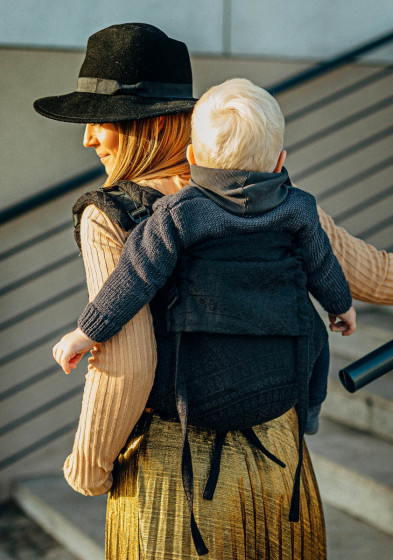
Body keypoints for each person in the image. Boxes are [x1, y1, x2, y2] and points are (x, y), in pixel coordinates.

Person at [34, 22, 393, 560]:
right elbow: (371, 272)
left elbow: (130, 363)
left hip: (177, 477)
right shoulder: (270, 195)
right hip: (280, 460)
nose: (88, 137)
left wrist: (90, 467)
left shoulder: (110, 215)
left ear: (151, 126)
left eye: (101, 120)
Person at [53, 77, 356, 436]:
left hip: (192, 394)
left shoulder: (177, 213)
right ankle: (310, 410)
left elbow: (134, 276)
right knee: (314, 331)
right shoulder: (299, 208)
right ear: (279, 163)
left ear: (192, 156)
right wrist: (342, 305)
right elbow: (322, 264)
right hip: (280, 389)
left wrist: (87, 331)